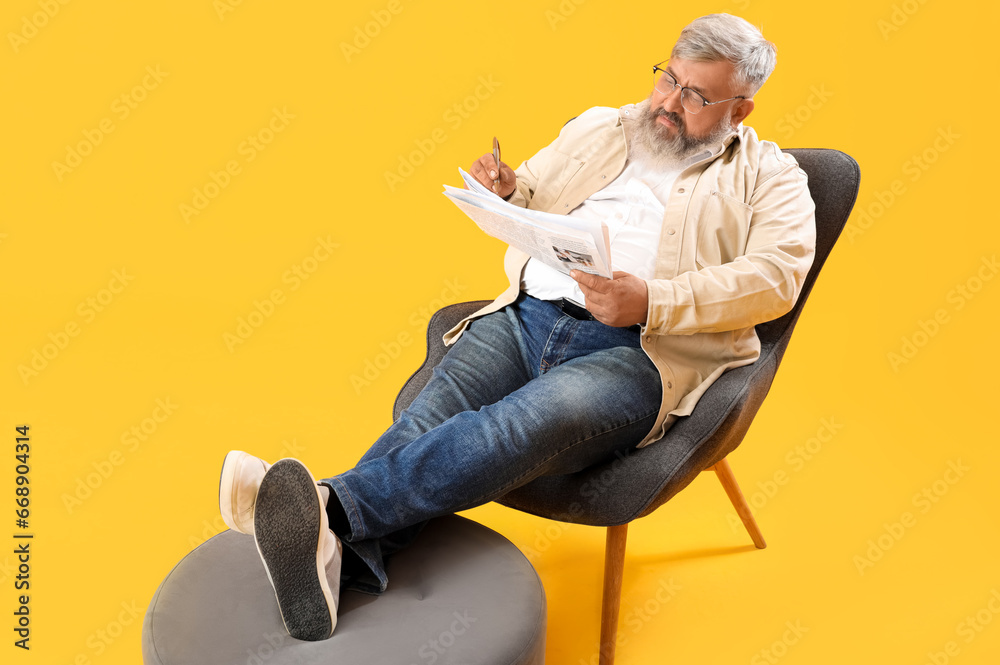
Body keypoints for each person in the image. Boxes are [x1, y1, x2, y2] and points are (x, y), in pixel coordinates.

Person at [218, 13, 816, 641]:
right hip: (526, 314)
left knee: (521, 423)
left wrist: (652, 301)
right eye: (668, 78)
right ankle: (338, 557)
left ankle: (324, 507)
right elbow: (536, 191)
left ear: (740, 110)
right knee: (428, 417)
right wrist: (508, 189)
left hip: (638, 352)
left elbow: (776, 279)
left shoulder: (771, 179)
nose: (669, 102)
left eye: (696, 96)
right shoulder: (601, 127)